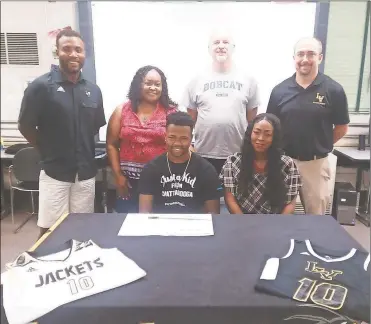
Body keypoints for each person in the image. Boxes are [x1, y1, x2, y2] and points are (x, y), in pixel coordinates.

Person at [18, 29, 106, 238]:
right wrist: (46, 149)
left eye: (78, 50)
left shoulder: (94, 90)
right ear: (57, 52)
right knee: (50, 231)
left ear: (84, 54)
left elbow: (94, 127)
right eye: (67, 49)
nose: (73, 54)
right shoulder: (40, 87)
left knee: (82, 229)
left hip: (85, 174)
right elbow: (26, 126)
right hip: (54, 172)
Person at [266, 37, 349, 215]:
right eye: (300, 54)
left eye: (310, 54)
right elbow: (270, 127)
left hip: (315, 164)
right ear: (294, 58)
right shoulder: (279, 91)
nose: (305, 59)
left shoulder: (334, 90)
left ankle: (313, 244)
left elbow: (342, 127)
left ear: (320, 57)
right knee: (279, 214)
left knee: (315, 217)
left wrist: (320, 144)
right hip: (283, 163)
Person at [181, 28, 260, 175]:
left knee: (235, 196)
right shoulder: (196, 80)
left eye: (226, 42)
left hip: (237, 154)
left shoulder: (248, 80)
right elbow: (189, 120)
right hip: (203, 153)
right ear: (209, 48)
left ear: (233, 48)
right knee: (205, 197)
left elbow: (252, 121)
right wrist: (189, 146)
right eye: (216, 42)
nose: (221, 46)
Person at [106, 65, 177, 213]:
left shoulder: (171, 112)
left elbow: (180, 145)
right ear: (138, 84)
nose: (153, 88)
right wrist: (118, 176)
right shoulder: (122, 111)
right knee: (128, 226)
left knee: (160, 226)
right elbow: (111, 145)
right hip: (129, 183)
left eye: (158, 84)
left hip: (163, 183)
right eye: (148, 83)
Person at [138, 111, 222, 214]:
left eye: (184, 138)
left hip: (195, 226)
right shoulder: (151, 169)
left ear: (191, 139)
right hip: (160, 224)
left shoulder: (206, 170)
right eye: (172, 137)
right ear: (165, 136)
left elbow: (213, 215)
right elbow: (144, 213)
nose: (177, 143)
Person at [220, 113, 301, 214]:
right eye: (256, 132)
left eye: (267, 134)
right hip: (242, 222)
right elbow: (230, 200)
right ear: (250, 134)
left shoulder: (287, 164)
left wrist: (279, 226)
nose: (261, 138)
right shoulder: (232, 162)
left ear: (274, 138)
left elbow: (290, 203)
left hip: (276, 222)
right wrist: (243, 225)